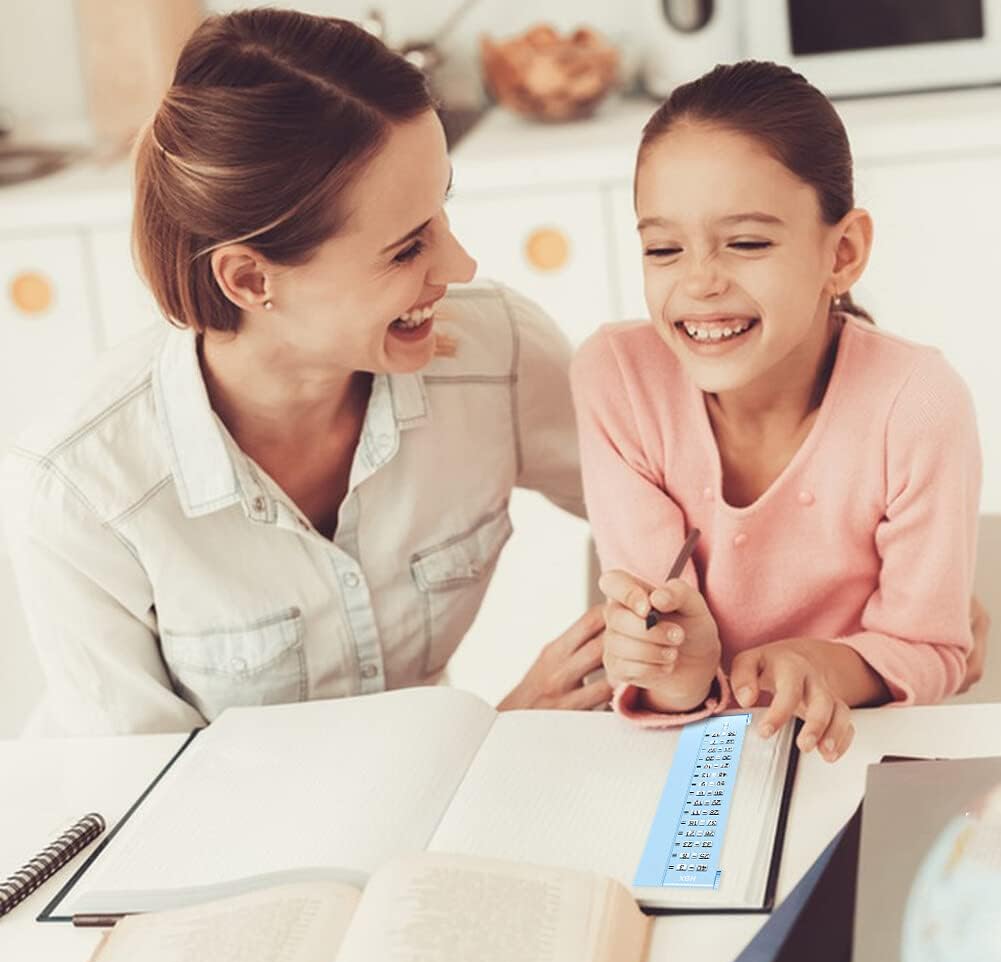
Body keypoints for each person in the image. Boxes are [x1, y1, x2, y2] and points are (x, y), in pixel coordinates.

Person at [0, 9, 610, 736]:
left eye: (440, 212)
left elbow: (662, 507)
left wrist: (627, 639)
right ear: (252, 281)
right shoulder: (80, 487)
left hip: (428, 800)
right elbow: (153, 801)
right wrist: (493, 732)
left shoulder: (495, 351)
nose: (461, 267)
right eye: (406, 247)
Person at [570, 61, 985, 761]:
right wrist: (676, 664)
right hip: (681, 747)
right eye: (663, 248)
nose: (698, 281)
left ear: (842, 252)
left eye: (747, 242)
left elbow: (933, 645)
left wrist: (825, 665)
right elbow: (664, 665)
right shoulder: (617, 377)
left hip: (851, 747)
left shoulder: (917, 402)